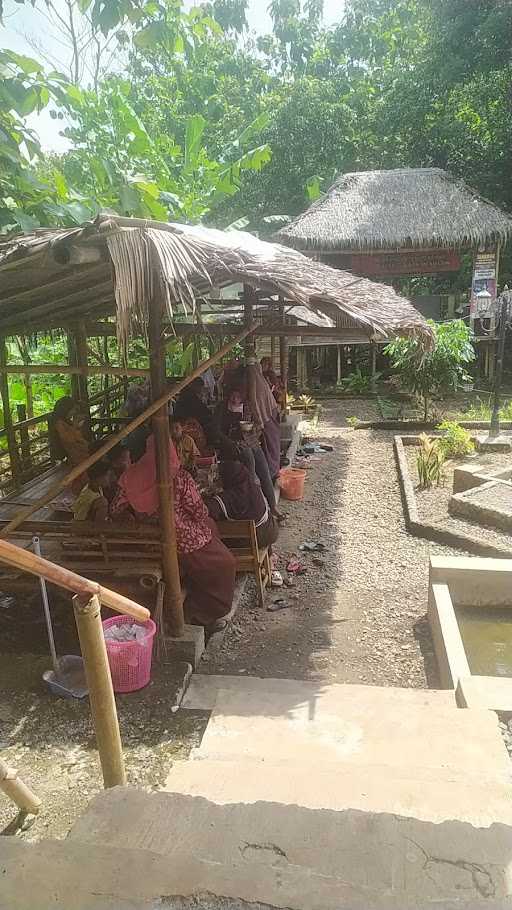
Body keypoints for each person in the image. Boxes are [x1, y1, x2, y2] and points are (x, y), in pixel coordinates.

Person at [112, 434, 236, 631]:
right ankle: (200, 615)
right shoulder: (179, 478)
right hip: (184, 541)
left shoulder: (130, 478)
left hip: (148, 542)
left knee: (210, 537)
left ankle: (194, 601)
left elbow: (116, 510)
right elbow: (198, 511)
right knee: (225, 564)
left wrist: (139, 516)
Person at [217, 386, 281, 519]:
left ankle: (273, 506)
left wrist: (252, 431)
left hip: (250, 441)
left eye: (238, 397)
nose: (235, 399)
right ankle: (252, 499)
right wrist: (230, 442)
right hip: (233, 444)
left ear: (243, 396)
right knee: (249, 459)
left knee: (264, 469)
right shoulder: (222, 408)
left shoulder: (249, 406)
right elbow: (216, 431)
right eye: (233, 396)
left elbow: (259, 425)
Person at [205, 460, 279, 549]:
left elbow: (206, 510)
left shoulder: (233, 496)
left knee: (212, 538)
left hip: (255, 539)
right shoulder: (252, 486)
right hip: (270, 529)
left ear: (228, 478)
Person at [246, 349, 282, 481]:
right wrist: (259, 418)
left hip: (268, 413)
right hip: (268, 413)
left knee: (271, 443)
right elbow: (254, 399)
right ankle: (273, 470)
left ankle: (273, 471)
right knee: (270, 444)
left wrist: (259, 419)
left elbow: (255, 400)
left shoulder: (257, 376)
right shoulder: (255, 375)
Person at [173, 377, 216, 455]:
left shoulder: (188, 394)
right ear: (195, 386)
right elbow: (203, 410)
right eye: (200, 388)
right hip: (184, 423)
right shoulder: (189, 396)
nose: (201, 390)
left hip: (186, 420)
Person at [49, 397, 90, 466]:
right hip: (74, 456)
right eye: (73, 410)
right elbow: (70, 440)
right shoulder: (59, 423)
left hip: (78, 452)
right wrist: (75, 424)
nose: (74, 412)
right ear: (65, 409)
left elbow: (78, 437)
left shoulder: (65, 421)